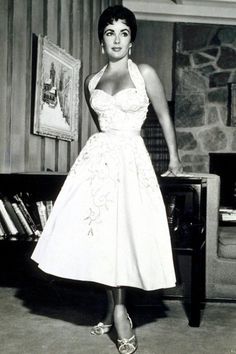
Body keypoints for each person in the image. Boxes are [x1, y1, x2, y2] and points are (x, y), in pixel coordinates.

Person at [31, 5, 182, 354]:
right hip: (98, 162)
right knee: (100, 239)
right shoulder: (91, 82)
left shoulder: (145, 72)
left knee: (125, 237)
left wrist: (174, 156)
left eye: (124, 32)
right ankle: (113, 307)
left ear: (131, 42)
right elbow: (101, 126)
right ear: (102, 42)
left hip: (132, 160)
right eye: (110, 32)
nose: (117, 39)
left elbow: (162, 116)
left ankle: (118, 311)